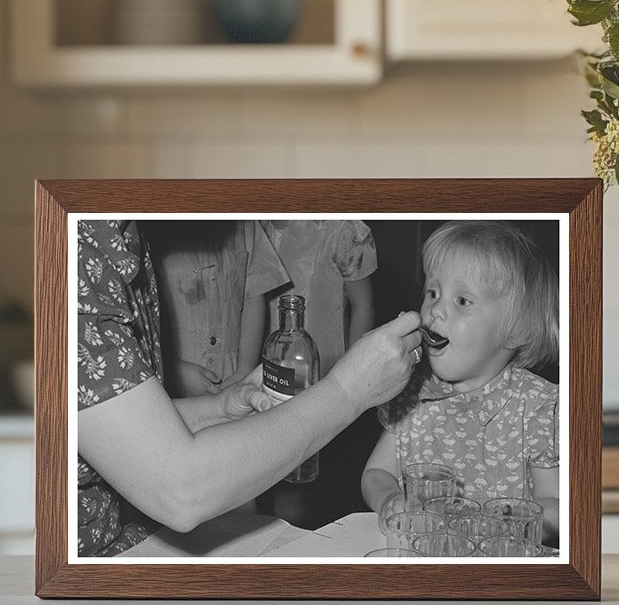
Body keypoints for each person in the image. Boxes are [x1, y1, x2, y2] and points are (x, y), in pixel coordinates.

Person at [76, 218, 423, 557]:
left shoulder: (123, 235)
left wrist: (217, 409)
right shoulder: (81, 249)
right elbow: (180, 490)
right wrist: (349, 392)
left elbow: (117, 429)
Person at [361, 221, 560, 547]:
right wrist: (389, 499)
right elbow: (376, 473)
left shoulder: (536, 407)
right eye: (433, 293)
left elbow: (556, 506)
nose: (436, 309)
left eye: (462, 301)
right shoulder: (413, 393)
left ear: (516, 330)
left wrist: (507, 523)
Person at [150, 220, 288, 398]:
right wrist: (173, 370)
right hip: (168, 385)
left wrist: (244, 370)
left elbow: (253, 294)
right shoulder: (145, 225)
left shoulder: (245, 223)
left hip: (232, 376)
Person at [261, 220, 377, 375]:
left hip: (323, 366)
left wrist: (353, 372)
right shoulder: (249, 227)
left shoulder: (339, 228)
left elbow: (363, 306)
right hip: (264, 365)